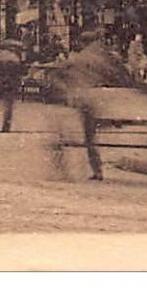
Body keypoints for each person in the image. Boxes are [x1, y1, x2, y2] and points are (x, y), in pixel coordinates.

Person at [55, 29, 135, 180]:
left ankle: (96, 170)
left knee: (89, 138)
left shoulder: (80, 57)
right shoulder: (104, 57)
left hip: (87, 100)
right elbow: (119, 75)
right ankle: (96, 168)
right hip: (105, 99)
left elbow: (62, 70)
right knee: (91, 136)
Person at [0, 38, 27, 132]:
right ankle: (6, 123)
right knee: (9, 103)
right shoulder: (15, 59)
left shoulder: (3, 58)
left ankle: (6, 123)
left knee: (7, 103)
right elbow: (22, 71)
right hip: (12, 82)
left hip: (6, 81)